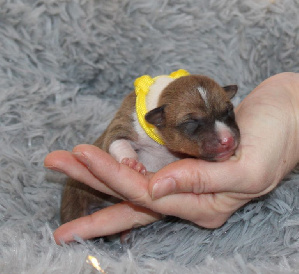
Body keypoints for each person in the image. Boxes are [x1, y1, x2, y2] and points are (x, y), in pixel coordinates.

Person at [44, 72, 299, 244]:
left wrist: (289, 107)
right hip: (90, 197)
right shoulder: (136, 115)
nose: (225, 137)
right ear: (158, 121)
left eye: (227, 114)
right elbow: (116, 139)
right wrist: (127, 158)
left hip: (151, 206)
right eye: (193, 124)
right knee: (76, 225)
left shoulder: (185, 112)